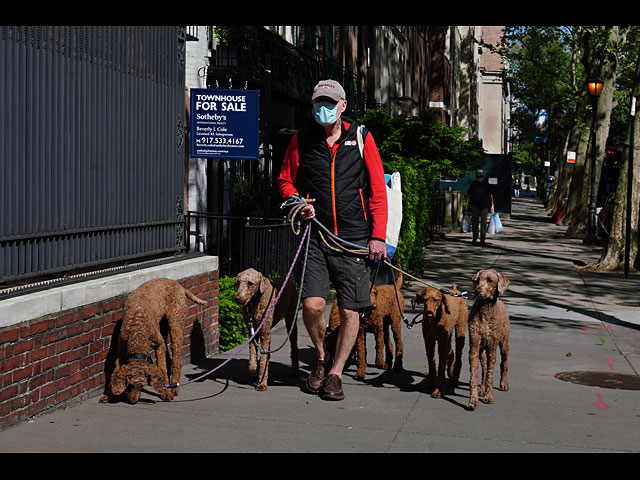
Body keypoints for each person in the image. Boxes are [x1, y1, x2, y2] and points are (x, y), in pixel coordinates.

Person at [277, 79, 388, 401]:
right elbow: (285, 181)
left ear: (342, 106)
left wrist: (377, 236)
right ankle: (322, 357)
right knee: (312, 305)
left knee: (350, 311)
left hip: (354, 238)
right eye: (317, 104)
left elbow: (378, 191)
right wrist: (298, 203)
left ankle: (337, 372)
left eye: (329, 103)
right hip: (315, 236)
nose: (322, 109)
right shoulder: (302, 140)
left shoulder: (362, 138)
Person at [465, 169, 494, 246]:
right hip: (475, 205)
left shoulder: (486, 184)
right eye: (479, 176)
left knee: (483, 223)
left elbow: (490, 195)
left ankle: (482, 239)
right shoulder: (473, 184)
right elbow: (469, 195)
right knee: (475, 223)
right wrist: (467, 204)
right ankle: (475, 238)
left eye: (481, 176)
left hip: (484, 206)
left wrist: (492, 205)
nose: (480, 177)